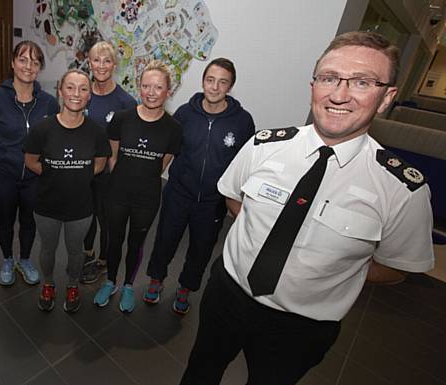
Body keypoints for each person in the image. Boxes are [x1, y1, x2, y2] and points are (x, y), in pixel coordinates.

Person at [181, 31, 435, 385]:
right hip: (228, 293)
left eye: (362, 82)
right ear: (314, 85)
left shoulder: (401, 188)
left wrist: (332, 269)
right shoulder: (263, 146)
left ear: (386, 97)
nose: (339, 94)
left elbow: (395, 267)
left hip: (301, 327)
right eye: (329, 78)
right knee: (200, 371)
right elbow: (235, 199)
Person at [144, 58, 255, 315]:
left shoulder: (242, 121)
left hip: (212, 202)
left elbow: (245, 163)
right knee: (165, 240)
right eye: (210, 80)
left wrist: (238, 198)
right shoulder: (184, 113)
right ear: (203, 81)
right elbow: (169, 149)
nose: (215, 87)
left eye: (222, 82)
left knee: (201, 248)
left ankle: (185, 287)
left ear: (230, 86)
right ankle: (156, 280)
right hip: (178, 193)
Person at [93, 60, 182, 313]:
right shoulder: (123, 118)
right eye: (146, 86)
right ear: (139, 87)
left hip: (147, 197)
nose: (151, 92)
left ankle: (129, 285)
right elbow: (113, 155)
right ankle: (110, 281)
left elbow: (162, 164)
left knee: (136, 243)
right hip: (117, 193)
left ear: (168, 91)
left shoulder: (173, 128)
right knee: (114, 239)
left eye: (158, 87)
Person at [0, 40, 59, 287]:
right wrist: (0, 154)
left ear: (39, 67)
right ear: (13, 63)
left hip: (34, 177)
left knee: (29, 221)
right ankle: (8, 259)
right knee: (5, 220)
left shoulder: (49, 103)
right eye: (23, 59)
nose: (28, 66)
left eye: (34, 61)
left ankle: (25, 259)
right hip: (3, 175)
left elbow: (55, 137)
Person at [23, 69, 111, 313]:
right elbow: (31, 161)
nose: (76, 94)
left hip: (81, 206)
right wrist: (56, 175)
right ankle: (48, 283)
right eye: (70, 87)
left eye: (83, 89)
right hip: (47, 204)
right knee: (48, 249)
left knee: (75, 250)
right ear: (60, 92)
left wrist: (74, 175)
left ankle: (72, 285)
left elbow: (100, 164)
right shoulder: (42, 129)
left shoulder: (96, 132)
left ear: (89, 96)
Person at [80, 41, 137, 284]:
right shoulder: (82, 92)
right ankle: (87, 253)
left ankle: (102, 261)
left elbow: (130, 142)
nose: (101, 66)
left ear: (114, 64)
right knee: (84, 213)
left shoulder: (125, 102)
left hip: (109, 173)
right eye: (96, 60)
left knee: (104, 217)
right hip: (81, 168)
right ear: (89, 63)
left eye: (106, 61)